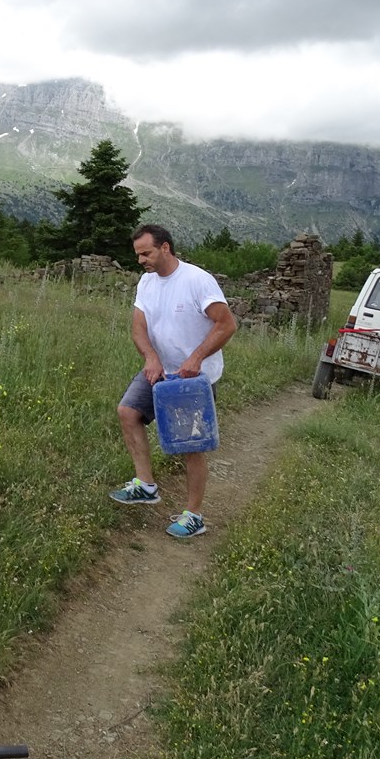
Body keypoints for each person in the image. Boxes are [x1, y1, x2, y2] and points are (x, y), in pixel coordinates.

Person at [110, 224, 237, 538]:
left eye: (146, 253)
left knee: (189, 446)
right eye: (138, 254)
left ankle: (194, 515)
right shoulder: (146, 282)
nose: (141, 260)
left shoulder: (196, 280)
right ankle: (146, 485)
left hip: (193, 380)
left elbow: (226, 324)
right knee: (128, 412)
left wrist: (195, 359)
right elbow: (139, 327)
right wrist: (150, 357)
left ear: (165, 247)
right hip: (160, 370)